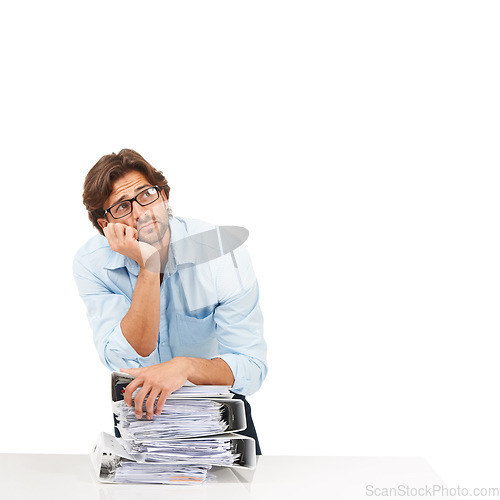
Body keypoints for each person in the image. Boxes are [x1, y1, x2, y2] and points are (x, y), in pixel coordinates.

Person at [73, 149, 267, 453]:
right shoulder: (93, 264)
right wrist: (149, 266)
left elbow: (251, 367)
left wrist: (185, 367)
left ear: (164, 197)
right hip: (140, 414)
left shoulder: (221, 255)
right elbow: (125, 357)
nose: (141, 213)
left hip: (216, 410)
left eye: (147, 195)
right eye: (122, 207)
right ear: (105, 225)